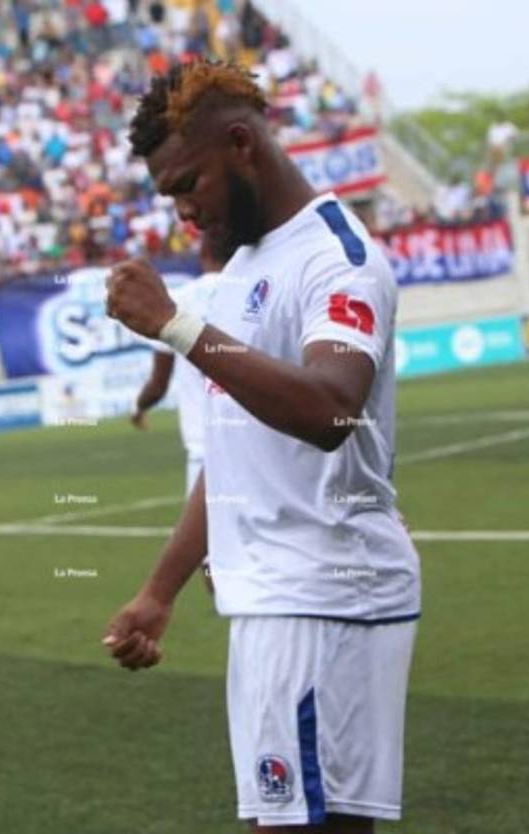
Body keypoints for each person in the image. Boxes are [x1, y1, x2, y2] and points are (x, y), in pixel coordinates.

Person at [102, 61, 421, 833]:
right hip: (284, 600)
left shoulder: (334, 258)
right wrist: (160, 590)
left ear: (242, 143)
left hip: (323, 597)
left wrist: (178, 327)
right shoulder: (249, 263)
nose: (183, 210)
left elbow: (332, 409)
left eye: (189, 184)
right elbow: (235, 456)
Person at [131, 233, 229, 494]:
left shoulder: (178, 301)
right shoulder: (259, 291)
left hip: (204, 452)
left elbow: (158, 384)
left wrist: (140, 407)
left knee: (207, 536)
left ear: (203, 256)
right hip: (260, 450)